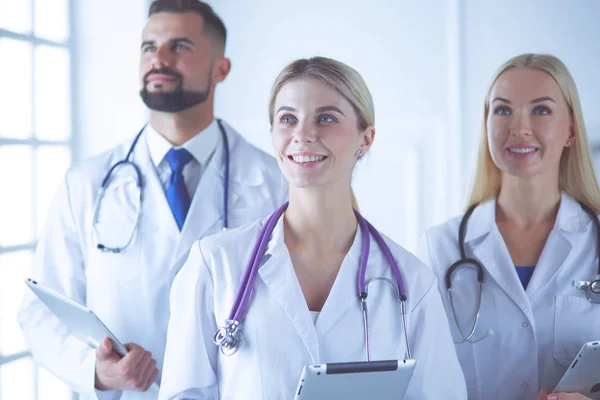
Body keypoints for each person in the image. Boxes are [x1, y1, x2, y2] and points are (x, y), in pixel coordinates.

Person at [17, 1, 287, 398]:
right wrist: (97, 371)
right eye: (149, 47)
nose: (158, 59)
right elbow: (41, 310)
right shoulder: (86, 183)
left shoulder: (275, 183)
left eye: (179, 46)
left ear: (220, 69)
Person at [158, 56, 467, 400]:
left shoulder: (412, 282)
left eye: (325, 118)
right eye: (288, 119)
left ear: (365, 139)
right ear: (273, 134)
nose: (303, 135)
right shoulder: (216, 264)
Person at [421, 53, 600, 400]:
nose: (519, 128)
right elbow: (423, 382)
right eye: (503, 110)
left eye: (541, 110)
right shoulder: (440, 248)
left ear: (571, 130)